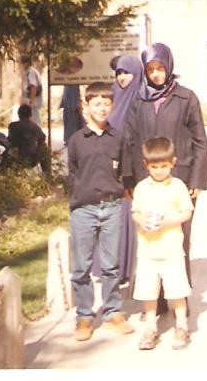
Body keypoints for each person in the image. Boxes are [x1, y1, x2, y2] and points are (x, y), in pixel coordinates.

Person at [124, 43, 207, 305]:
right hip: (147, 181)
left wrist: (197, 180)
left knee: (178, 237)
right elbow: (129, 139)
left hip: (180, 180)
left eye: (160, 68)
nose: (156, 74)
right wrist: (128, 179)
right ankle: (156, 298)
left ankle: (179, 298)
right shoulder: (138, 100)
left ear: (169, 67)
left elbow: (200, 141)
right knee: (151, 235)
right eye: (151, 69)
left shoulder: (186, 98)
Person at [67, 82, 134, 342]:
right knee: (81, 267)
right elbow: (73, 172)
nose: (102, 108)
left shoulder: (118, 138)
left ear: (112, 105)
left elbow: (125, 171)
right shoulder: (76, 140)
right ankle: (84, 316)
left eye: (106, 103)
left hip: (112, 207)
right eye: (97, 103)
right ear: (86, 106)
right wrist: (82, 196)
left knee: (110, 265)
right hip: (83, 209)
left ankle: (112, 312)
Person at [132, 137, 195, 351]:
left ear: (173, 163)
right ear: (146, 165)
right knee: (148, 292)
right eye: (154, 167)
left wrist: (168, 221)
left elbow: (186, 212)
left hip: (171, 249)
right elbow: (136, 212)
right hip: (148, 250)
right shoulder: (141, 188)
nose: (159, 171)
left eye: (163, 166)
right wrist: (142, 221)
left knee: (176, 290)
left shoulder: (177, 186)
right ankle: (151, 328)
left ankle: (181, 325)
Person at [107, 54, 146, 286]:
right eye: (119, 73)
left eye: (126, 73)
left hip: (135, 173)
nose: (122, 78)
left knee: (134, 220)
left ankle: (133, 271)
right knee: (115, 222)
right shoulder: (113, 99)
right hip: (113, 172)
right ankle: (117, 268)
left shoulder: (143, 100)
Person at [7, 104, 46, 171]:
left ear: (19, 114)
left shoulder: (12, 126)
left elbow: (9, 140)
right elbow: (42, 138)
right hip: (31, 158)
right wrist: (37, 151)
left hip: (16, 157)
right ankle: (47, 174)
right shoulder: (35, 127)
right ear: (30, 115)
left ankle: (3, 173)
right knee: (45, 148)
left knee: (8, 150)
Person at [20, 54, 44, 125]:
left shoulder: (31, 72)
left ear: (26, 63)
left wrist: (31, 102)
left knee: (34, 121)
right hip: (32, 101)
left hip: (33, 102)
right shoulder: (30, 71)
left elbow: (33, 87)